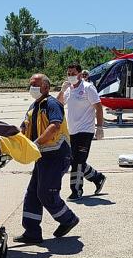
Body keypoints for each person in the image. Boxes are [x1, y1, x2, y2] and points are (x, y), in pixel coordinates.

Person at [14, 74, 79, 244]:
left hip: (57, 155)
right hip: (43, 157)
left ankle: (68, 219)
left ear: (46, 87)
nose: (32, 88)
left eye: (35, 85)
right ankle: (32, 232)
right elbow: (23, 128)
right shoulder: (33, 107)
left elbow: (54, 126)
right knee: (32, 194)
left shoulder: (52, 104)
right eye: (31, 85)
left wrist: (35, 143)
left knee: (46, 193)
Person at [57, 63, 107, 200]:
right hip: (72, 131)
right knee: (74, 160)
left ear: (80, 74)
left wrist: (100, 127)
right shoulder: (69, 89)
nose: (70, 76)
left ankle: (76, 190)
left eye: (73, 73)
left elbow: (98, 107)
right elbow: (58, 104)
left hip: (85, 130)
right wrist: (62, 91)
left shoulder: (87, 88)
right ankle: (97, 178)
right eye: (68, 74)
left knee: (78, 162)